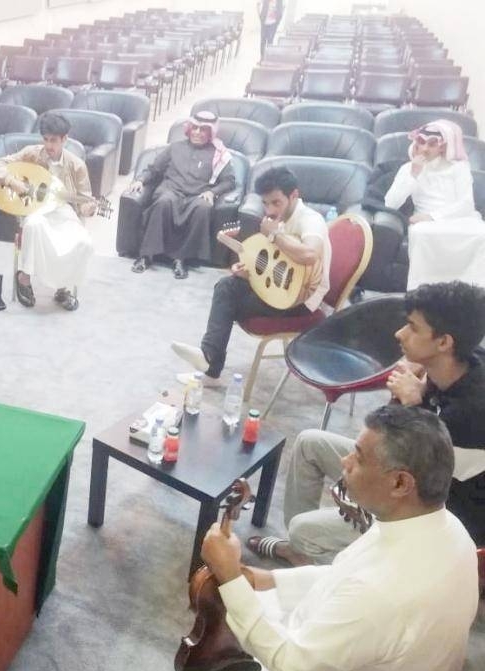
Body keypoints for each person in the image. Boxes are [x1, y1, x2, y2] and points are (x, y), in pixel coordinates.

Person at [151, 405, 478, 671]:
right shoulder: (449, 531)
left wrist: (231, 576)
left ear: (400, 482)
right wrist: (268, 580)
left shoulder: (385, 591)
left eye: (359, 456)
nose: (345, 461)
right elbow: (344, 573)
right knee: (254, 609)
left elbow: (290, 664)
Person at [250, 281, 485, 566]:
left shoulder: (470, 414)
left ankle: (312, 549)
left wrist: (416, 403)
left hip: (427, 516)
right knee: (310, 443)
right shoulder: (459, 362)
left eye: (412, 327)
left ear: (444, 342)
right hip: (403, 473)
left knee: (303, 529)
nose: (400, 333)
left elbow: (420, 479)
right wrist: (419, 384)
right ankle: (303, 551)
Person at [171, 166, 330, 385]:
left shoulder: (310, 220)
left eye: (276, 202)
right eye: (265, 203)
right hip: (281, 289)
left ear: (294, 195)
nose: (270, 209)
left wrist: (274, 234)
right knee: (228, 285)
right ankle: (208, 360)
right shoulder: (279, 219)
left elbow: (310, 254)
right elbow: (276, 265)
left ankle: (209, 365)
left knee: (227, 296)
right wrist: (249, 275)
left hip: (300, 302)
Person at [0, 112, 96, 311]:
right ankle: (24, 278)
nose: (49, 146)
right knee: (34, 224)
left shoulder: (77, 165)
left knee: (83, 242)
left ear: (65, 139)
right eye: (45, 140)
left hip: (63, 211)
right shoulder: (32, 154)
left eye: (54, 141)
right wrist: (14, 182)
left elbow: (84, 200)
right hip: (36, 208)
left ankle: (62, 287)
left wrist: (88, 208)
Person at [128, 111, 236, 280]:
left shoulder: (219, 154)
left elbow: (229, 181)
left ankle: (181, 259)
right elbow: (154, 170)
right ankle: (146, 256)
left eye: (203, 130)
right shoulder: (174, 147)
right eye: (195, 128)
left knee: (203, 208)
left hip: (197, 195)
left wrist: (212, 192)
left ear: (211, 133)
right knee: (164, 201)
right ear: (188, 129)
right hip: (171, 190)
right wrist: (140, 180)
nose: (197, 133)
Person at [384, 120, 485, 290]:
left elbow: (466, 204)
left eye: (432, 144)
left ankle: (474, 295)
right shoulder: (408, 168)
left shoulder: (459, 168)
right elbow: (390, 203)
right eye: (422, 142)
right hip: (424, 223)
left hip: (459, 219)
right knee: (422, 234)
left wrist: (433, 217)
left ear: (443, 147)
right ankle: (424, 294)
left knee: (481, 234)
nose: (425, 149)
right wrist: (413, 174)